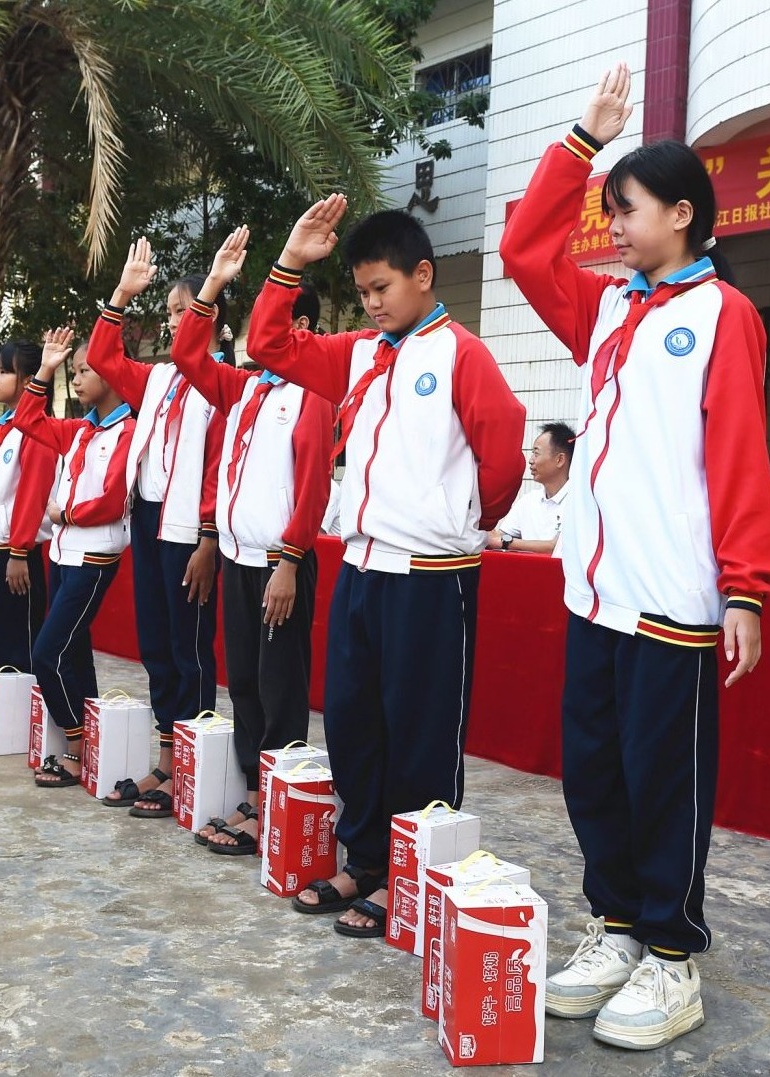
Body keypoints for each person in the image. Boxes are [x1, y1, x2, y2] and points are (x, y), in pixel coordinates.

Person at [499, 62, 770, 1051]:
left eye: (624, 210)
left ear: (681, 213)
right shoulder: (612, 310)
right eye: (607, 209)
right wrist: (581, 139)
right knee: (594, 775)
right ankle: (616, 928)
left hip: (672, 600)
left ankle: (671, 956)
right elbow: (523, 249)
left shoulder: (722, 317)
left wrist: (746, 590)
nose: (609, 226)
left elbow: (740, 458)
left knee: (662, 781)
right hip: (595, 600)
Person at [248, 201, 526, 937]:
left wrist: (460, 520)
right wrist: (291, 260)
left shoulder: (460, 353)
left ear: (423, 275)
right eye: (363, 292)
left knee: (420, 731)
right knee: (352, 721)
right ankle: (366, 857)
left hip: (431, 574)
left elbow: (501, 455)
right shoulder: (357, 352)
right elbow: (267, 342)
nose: (371, 305)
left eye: (382, 289)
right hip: (363, 568)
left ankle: (416, 877)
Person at [173, 228, 334, 854]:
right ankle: (255, 791)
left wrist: (291, 563)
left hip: (277, 562)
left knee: (280, 688)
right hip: (239, 558)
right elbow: (189, 356)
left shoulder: (311, 392)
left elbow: (314, 485)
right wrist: (212, 285)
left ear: (301, 329)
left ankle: (276, 800)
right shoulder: (246, 389)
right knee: (242, 681)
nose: (251, 336)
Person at [81, 240, 226, 818]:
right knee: (157, 645)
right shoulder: (162, 377)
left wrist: (209, 539)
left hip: (191, 527)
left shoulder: (222, 380)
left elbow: (219, 464)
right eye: (168, 312)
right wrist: (121, 295)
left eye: (183, 311)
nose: (173, 321)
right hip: (148, 516)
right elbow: (102, 357)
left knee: (189, 647)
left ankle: (192, 764)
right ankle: (168, 760)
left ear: (212, 317)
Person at [16, 326, 136, 789]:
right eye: (74, 370)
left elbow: (112, 498)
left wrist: (65, 513)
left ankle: (76, 744)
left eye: (85, 369)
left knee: (47, 652)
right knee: (75, 651)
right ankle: (89, 743)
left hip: (94, 555)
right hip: (63, 553)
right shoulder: (81, 429)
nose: (78, 378)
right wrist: (45, 368)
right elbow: (29, 420)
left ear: (110, 370)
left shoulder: (128, 429)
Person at [0, 341, 58, 677]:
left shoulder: (36, 432)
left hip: (14, 553)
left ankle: (16, 724)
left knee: (16, 644)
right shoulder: (4, 429)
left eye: (4, 371)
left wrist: (19, 552)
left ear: (29, 379)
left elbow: (31, 497)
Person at [487, 422, 574, 554]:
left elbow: (557, 546)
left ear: (560, 460)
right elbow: (499, 536)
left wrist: (506, 542)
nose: (531, 460)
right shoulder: (528, 500)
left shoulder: (578, 501)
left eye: (536, 453)